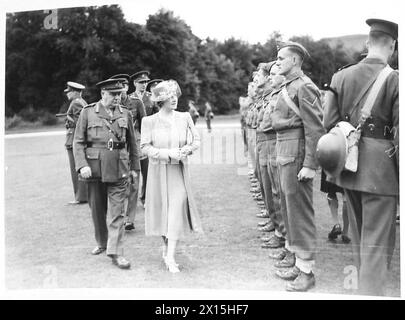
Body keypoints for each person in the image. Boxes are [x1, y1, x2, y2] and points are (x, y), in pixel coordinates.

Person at [322, 18, 398, 296]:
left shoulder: (341, 75)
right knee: (377, 248)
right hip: (382, 174)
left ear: (368, 44)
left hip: (349, 169)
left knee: (360, 247)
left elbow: (328, 123)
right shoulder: (395, 79)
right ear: (393, 46)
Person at [270, 41, 325, 291]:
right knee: (289, 211)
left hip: (297, 155)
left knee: (300, 214)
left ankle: (307, 272)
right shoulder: (288, 86)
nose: (277, 61)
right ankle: (297, 260)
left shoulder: (305, 87)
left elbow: (315, 129)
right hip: (285, 153)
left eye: (281, 58)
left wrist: (310, 164)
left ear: (294, 61)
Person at [73, 78, 140, 269]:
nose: (117, 98)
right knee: (97, 209)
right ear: (103, 94)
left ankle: (116, 252)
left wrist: (135, 169)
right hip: (93, 169)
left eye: (119, 94)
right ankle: (102, 242)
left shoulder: (125, 113)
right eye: (113, 94)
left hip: (119, 168)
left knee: (118, 212)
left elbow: (132, 144)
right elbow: (78, 142)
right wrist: (81, 165)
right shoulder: (88, 113)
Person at [140, 80, 203, 273]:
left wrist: (186, 150)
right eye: (169, 97)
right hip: (158, 172)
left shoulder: (184, 117)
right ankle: (166, 247)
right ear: (160, 101)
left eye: (175, 95)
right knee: (162, 213)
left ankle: (170, 256)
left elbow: (196, 140)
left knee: (176, 209)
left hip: (178, 172)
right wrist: (168, 154)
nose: (174, 99)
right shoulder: (148, 121)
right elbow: (144, 147)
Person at [110, 74, 146, 231]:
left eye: (123, 86)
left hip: (135, 145)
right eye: (117, 87)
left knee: (134, 183)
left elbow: (145, 124)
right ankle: (120, 216)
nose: (121, 90)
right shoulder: (111, 104)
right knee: (119, 185)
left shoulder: (136, 103)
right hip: (117, 150)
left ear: (126, 87)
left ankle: (130, 220)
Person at [130, 70, 157, 206]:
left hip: (149, 140)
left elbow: (158, 117)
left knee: (147, 172)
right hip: (133, 141)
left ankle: (145, 198)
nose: (144, 85)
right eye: (141, 82)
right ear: (135, 83)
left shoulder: (152, 98)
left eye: (146, 82)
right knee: (133, 172)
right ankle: (131, 200)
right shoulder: (128, 98)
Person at [63, 81, 88, 205]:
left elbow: (81, 123)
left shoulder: (76, 103)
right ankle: (82, 195)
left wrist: (70, 120)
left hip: (74, 139)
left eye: (69, 92)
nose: (67, 94)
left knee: (76, 168)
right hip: (74, 138)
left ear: (75, 92)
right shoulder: (81, 102)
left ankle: (81, 197)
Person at [320, 170, 350, 243]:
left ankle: (336, 225)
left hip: (332, 161)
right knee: (346, 195)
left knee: (331, 191)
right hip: (348, 163)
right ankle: (345, 232)